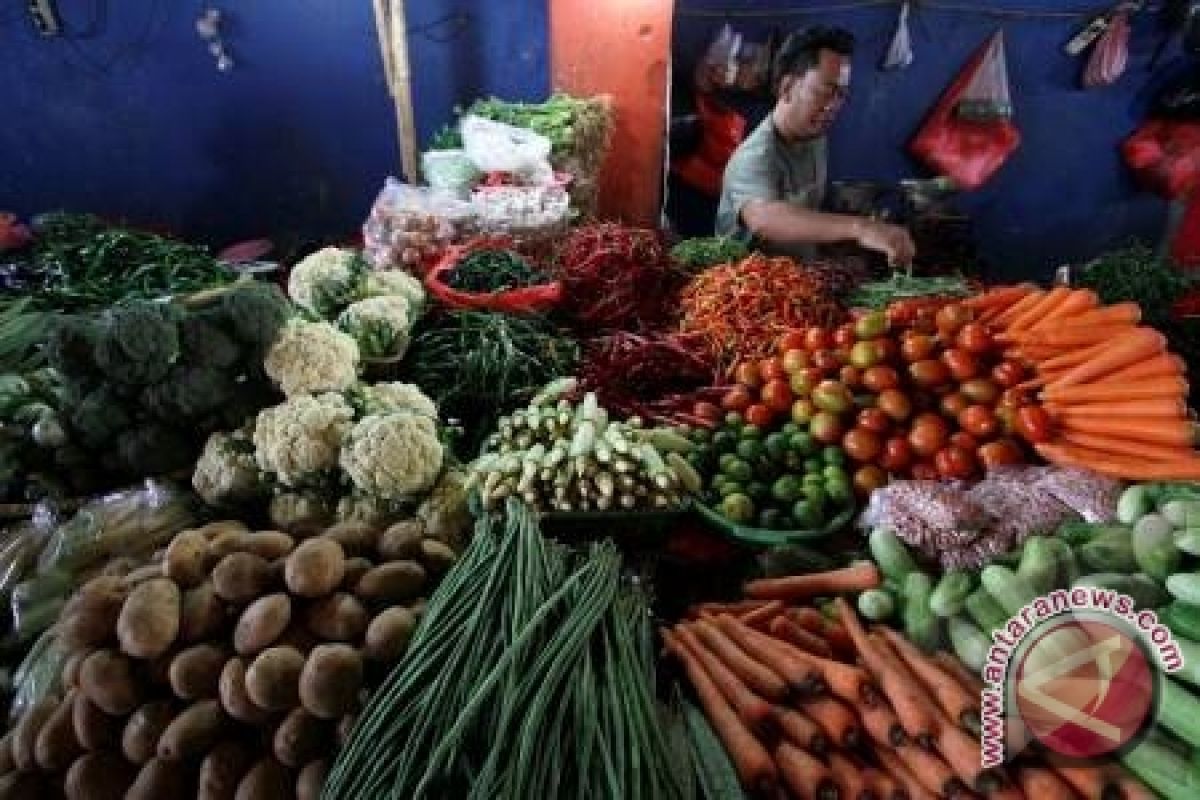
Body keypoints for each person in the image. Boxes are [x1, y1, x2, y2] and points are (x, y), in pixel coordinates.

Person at [716, 26, 916, 266]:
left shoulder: (815, 137)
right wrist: (859, 228)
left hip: (801, 288)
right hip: (748, 293)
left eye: (841, 94)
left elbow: (807, 220)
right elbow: (764, 219)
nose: (833, 105)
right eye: (825, 90)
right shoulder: (755, 157)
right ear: (787, 87)